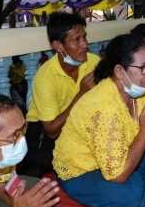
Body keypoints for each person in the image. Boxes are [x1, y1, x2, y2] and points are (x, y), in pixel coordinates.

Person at [53, 34, 145, 207]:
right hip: (82, 170)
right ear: (119, 71)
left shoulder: (142, 90)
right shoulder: (103, 107)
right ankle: (144, 179)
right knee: (131, 196)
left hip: (122, 153)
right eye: (142, 67)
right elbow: (117, 176)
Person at [23, 13, 100, 178]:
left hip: (78, 124)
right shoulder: (45, 78)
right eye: (76, 40)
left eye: (84, 38)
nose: (85, 44)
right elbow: (52, 131)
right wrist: (81, 94)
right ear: (58, 46)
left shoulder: (94, 63)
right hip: (45, 134)